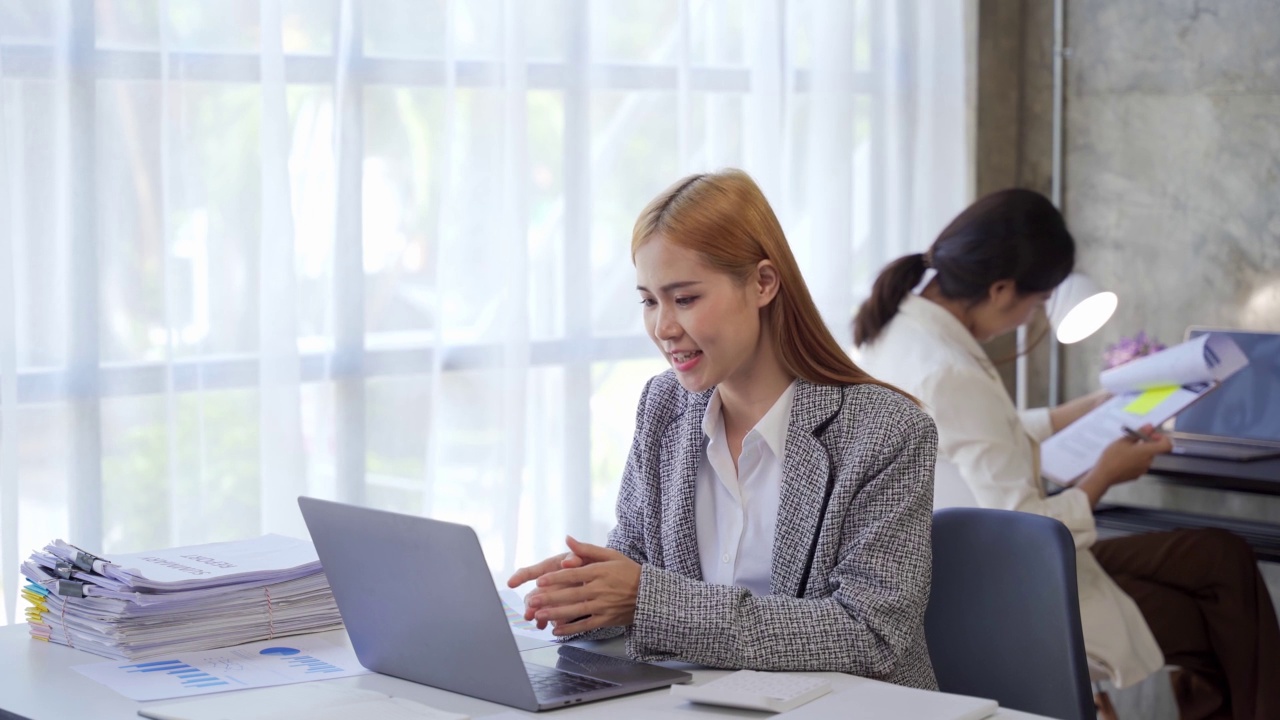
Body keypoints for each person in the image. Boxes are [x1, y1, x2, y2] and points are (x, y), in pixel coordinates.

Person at [854, 188, 1280, 720]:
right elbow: (1025, 531)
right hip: (1009, 590)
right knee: (1224, 617)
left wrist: (1090, 406)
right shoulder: (950, 371)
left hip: (980, 567)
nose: (1031, 319)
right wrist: (1105, 475)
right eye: (1035, 304)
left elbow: (975, 440)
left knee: (1222, 555)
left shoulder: (898, 331)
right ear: (1001, 289)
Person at [507, 169, 939, 688]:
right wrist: (582, 595)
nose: (663, 328)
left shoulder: (887, 431)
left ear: (762, 283)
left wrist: (646, 599)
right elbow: (638, 559)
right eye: (649, 301)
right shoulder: (664, 406)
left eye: (685, 299)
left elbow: (871, 636)